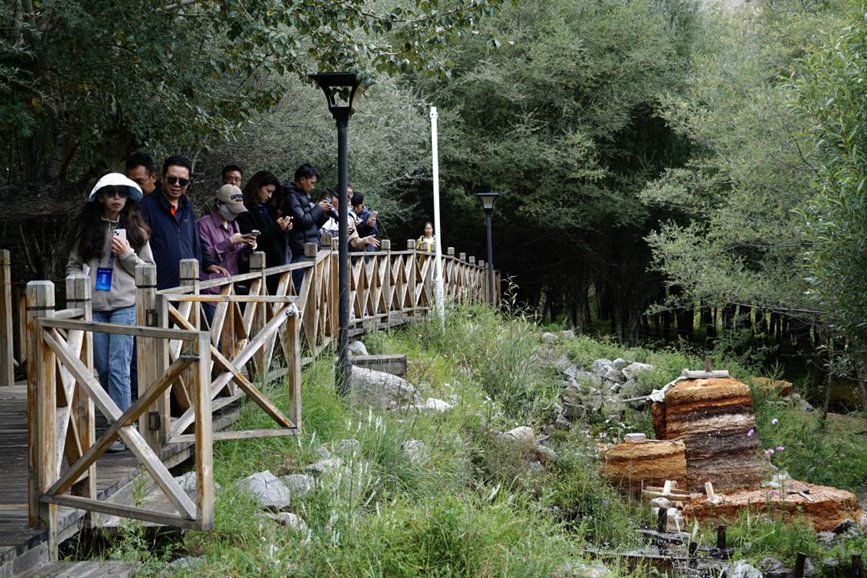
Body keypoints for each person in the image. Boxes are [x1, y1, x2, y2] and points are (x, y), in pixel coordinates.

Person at [67, 173, 154, 451]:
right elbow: (72, 265)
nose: (117, 198)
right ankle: (118, 421)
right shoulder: (88, 228)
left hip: (124, 306)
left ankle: (122, 431)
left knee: (118, 368)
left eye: (122, 193)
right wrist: (77, 286)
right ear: (101, 197)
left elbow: (148, 272)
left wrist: (127, 253)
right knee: (102, 368)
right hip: (94, 307)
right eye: (112, 193)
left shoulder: (136, 229)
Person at [140, 155, 227, 290]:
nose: (176, 184)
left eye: (183, 182)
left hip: (189, 287)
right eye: (172, 179)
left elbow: (195, 242)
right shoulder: (146, 207)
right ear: (162, 178)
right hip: (159, 289)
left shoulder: (187, 207)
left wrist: (208, 263)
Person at [198, 184, 257, 321]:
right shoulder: (203, 224)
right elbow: (204, 255)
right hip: (211, 291)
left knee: (230, 337)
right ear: (219, 204)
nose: (234, 213)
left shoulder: (233, 225)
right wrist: (229, 241)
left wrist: (249, 247)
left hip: (231, 288)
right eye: (232, 209)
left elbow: (238, 256)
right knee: (214, 339)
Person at [284, 164, 330, 289]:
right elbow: (303, 221)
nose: (313, 186)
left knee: (311, 291)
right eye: (311, 182)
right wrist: (319, 208)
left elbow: (311, 224)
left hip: (310, 249)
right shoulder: (291, 195)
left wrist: (323, 215)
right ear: (302, 179)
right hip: (299, 250)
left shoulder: (304, 196)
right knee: (302, 290)